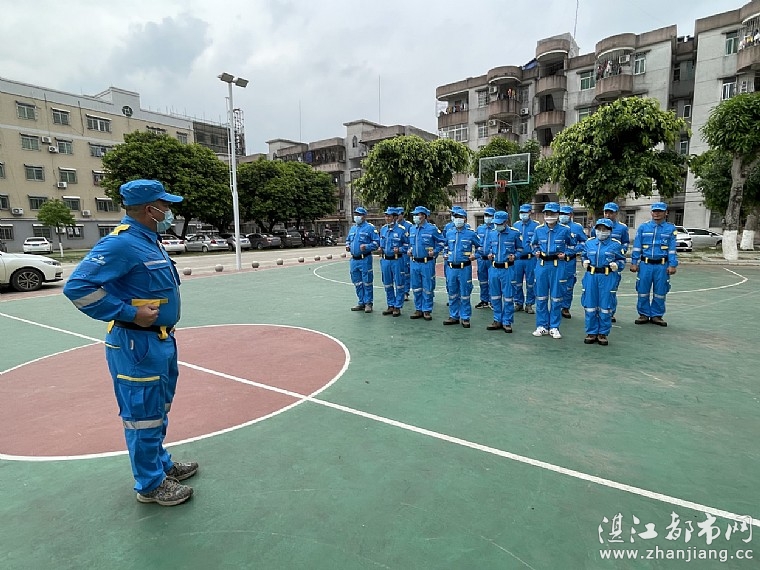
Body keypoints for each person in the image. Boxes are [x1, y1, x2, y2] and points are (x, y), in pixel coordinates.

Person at [62, 179, 196, 506]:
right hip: (136, 344)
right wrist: (129, 313)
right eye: (165, 206)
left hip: (160, 340)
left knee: (157, 411)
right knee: (142, 415)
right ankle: (150, 485)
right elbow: (77, 287)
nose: (169, 211)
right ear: (151, 210)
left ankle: (160, 465)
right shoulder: (120, 244)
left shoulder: (149, 240)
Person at [630, 202, 678, 326]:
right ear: (651, 212)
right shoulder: (643, 227)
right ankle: (643, 314)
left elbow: (672, 249)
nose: (657, 213)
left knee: (660, 291)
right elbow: (637, 247)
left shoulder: (670, 229)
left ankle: (657, 315)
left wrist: (672, 264)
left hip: (662, 266)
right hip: (645, 265)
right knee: (642, 290)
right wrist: (634, 262)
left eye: (660, 211)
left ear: (666, 213)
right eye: (654, 211)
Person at [530, 202, 573, 339]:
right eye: (547, 213)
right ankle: (542, 325)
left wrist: (566, 254)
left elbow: (574, 245)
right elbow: (533, 244)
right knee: (541, 297)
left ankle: (554, 326)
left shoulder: (565, 230)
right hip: (542, 265)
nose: (549, 216)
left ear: (558, 215)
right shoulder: (538, 230)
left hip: (557, 266)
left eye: (552, 213)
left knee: (556, 297)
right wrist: (536, 251)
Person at [581, 219, 626, 345]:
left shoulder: (615, 245)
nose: (601, 232)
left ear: (610, 231)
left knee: (606, 305)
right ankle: (591, 332)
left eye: (605, 229)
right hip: (591, 276)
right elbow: (584, 256)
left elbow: (622, 260)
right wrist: (584, 261)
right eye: (599, 229)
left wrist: (617, 265)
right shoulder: (589, 243)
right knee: (590, 304)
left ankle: (603, 333)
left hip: (607, 277)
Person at [484, 210, 523, 333]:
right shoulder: (492, 233)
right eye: (496, 223)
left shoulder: (514, 234)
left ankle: (507, 321)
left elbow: (521, 249)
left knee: (508, 297)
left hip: (508, 269)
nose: (497, 225)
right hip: (494, 269)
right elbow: (489, 248)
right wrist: (490, 254)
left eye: (500, 223)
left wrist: (515, 256)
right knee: (495, 296)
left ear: (506, 222)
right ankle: (497, 320)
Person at [592, 202, 630, 322]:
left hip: (613, 264)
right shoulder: (597, 226)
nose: (608, 215)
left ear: (616, 213)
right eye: (606, 212)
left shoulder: (622, 228)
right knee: (595, 290)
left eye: (611, 212)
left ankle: (610, 312)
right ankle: (597, 311)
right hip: (599, 263)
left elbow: (625, 242)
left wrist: (620, 252)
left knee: (611, 290)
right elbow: (593, 241)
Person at [443, 209, 480, 328]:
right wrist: (445, 253)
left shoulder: (470, 234)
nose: (458, 219)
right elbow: (445, 246)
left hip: (464, 268)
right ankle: (454, 316)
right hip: (451, 268)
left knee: (465, 293)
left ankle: (465, 317)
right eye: (456, 217)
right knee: (452, 293)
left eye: (460, 217)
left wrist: (475, 255)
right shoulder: (449, 233)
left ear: (465, 219)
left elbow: (480, 247)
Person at [407, 206, 445, 321]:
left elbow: (442, 242)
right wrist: (409, 250)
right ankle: (418, 309)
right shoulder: (412, 229)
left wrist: (435, 251)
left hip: (427, 262)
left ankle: (427, 310)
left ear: (423, 216)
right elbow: (410, 244)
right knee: (416, 287)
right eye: (414, 215)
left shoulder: (432, 229)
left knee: (428, 287)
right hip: (414, 262)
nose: (415, 217)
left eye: (417, 215)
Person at [346, 206, 380, 313]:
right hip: (354, 260)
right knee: (357, 282)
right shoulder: (353, 228)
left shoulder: (370, 228)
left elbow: (376, 243)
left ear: (364, 216)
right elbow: (348, 240)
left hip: (364, 259)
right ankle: (361, 302)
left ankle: (368, 303)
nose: (357, 217)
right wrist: (347, 245)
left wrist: (367, 246)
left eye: (359, 215)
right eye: (356, 214)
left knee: (367, 282)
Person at [378, 206, 408, 317]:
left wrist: (400, 249)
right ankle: (390, 305)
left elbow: (408, 245)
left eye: (389, 216)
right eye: (386, 216)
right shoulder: (383, 229)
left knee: (399, 284)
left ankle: (397, 306)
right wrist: (380, 248)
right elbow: (380, 243)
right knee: (387, 283)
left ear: (395, 217)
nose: (387, 218)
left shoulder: (401, 230)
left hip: (397, 260)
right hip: (385, 260)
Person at [558, 205, 587, 319]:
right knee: (556, 283)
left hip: (569, 261)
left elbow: (584, 243)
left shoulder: (577, 227)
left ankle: (565, 307)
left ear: (571, 215)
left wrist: (572, 250)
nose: (562, 216)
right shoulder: (555, 226)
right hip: (556, 261)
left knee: (569, 285)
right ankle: (556, 306)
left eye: (565, 214)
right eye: (561, 214)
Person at [512, 204, 539, 314]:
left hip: (530, 259)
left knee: (530, 282)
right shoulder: (515, 225)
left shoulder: (536, 226)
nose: (523, 215)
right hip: (518, 259)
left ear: (530, 213)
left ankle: (529, 304)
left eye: (525, 212)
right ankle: (518, 302)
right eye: (521, 212)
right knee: (517, 282)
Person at [475, 207, 496, 309]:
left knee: (492, 281)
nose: (487, 217)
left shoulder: (496, 229)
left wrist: (492, 253)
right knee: (482, 281)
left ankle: (493, 301)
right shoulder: (480, 229)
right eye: (486, 215)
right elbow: (476, 242)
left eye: (490, 216)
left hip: (492, 260)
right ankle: (484, 300)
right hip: (481, 259)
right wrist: (476, 254)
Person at [395, 207, 413, 300]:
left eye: (398, 215)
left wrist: (407, 250)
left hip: (405, 253)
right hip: (395, 254)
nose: (397, 217)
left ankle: (406, 292)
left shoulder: (408, 226)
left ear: (402, 215)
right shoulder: (393, 226)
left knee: (406, 273)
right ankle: (399, 292)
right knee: (398, 273)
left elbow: (410, 240)